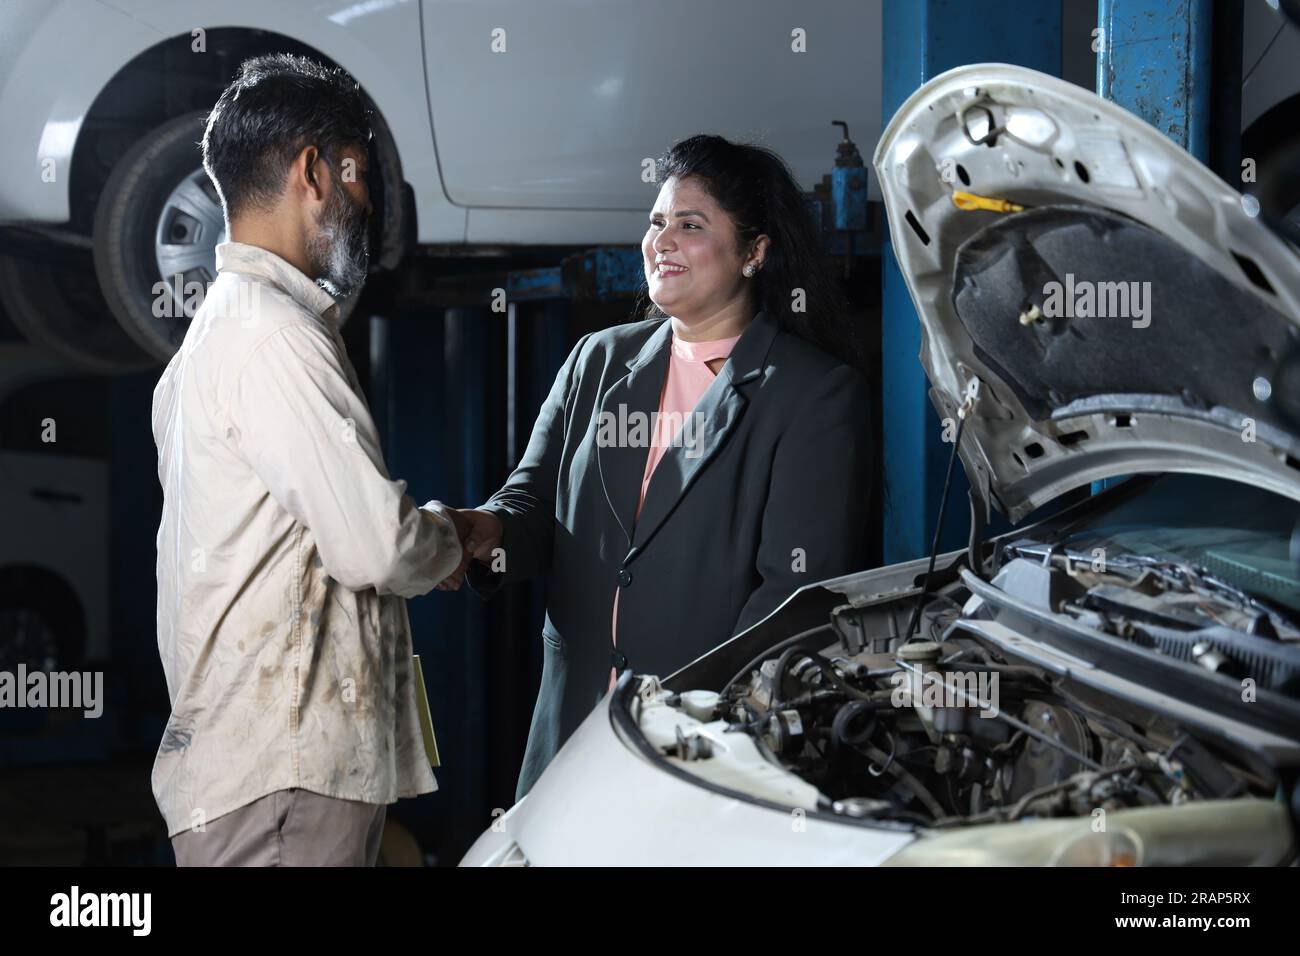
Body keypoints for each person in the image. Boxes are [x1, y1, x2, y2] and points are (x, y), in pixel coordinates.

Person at [445, 134, 873, 800]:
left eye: (690, 225)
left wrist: (700, 723)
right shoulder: (597, 360)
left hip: (703, 751)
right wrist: (477, 531)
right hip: (570, 727)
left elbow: (792, 601)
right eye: (656, 222)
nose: (662, 241)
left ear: (755, 252)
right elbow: (530, 508)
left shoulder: (811, 395)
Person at [152, 54, 468, 866]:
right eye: (361, 172)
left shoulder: (206, 344)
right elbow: (376, 547)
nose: (367, 202)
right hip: (283, 776)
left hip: (249, 768)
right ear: (314, 171)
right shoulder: (276, 338)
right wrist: (455, 536)